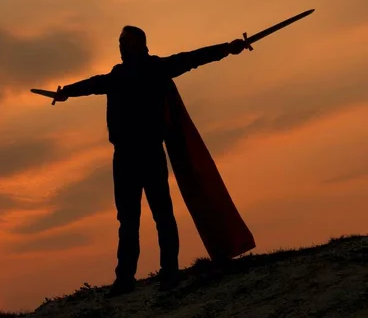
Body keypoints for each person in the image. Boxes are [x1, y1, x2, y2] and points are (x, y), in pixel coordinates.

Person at [54, 25, 247, 298]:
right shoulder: (117, 75)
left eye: (126, 41)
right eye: (119, 41)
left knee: (162, 215)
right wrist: (67, 92)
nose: (121, 46)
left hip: (150, 152)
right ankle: (125, 279)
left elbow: (191, 58)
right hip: (123, 156)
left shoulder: (155, 68)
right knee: (128, 219)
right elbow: (94, 83)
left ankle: (169, 273)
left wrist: (226, 49)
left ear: (141, 44)